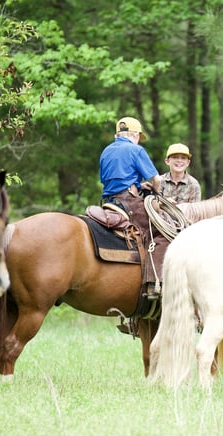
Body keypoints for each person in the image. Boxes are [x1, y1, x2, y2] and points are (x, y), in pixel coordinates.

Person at [99, 116, 165, 299]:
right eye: (138, 136)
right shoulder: (136, 149)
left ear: (116, 134)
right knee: (161, 233)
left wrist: (137, 184)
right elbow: (157, 180)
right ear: (135, 134)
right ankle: (154, 282)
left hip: (108, 201)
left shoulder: (106, 151)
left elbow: (111, 179)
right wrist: (155, 195)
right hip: (128, 202)